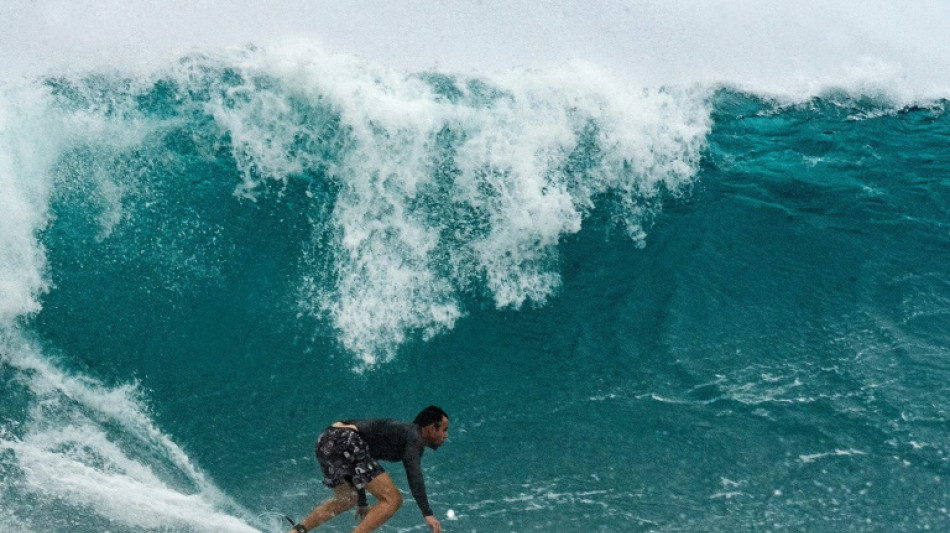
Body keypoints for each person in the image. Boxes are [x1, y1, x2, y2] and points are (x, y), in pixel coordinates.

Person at [288, 405, 449, 533]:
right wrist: (427, 513)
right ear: (430, 428)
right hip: (346, 438)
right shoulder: (414, 437)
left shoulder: (397, 435)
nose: (446, 435)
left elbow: (359, 467)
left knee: (347, 499)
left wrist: (362, 500)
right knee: (393, 499)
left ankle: (297, 531)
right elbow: (414, 475)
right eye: (443, 430)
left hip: (326, 440)